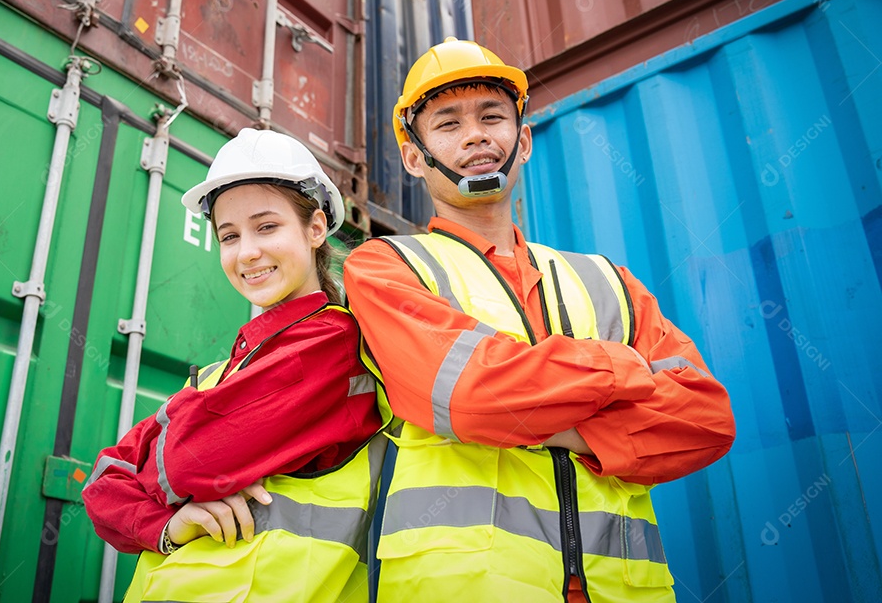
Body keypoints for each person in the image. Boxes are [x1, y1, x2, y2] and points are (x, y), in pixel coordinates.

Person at [344, 37, 736, 602]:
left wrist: (552, 426)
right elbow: (470, 396)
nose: (476, 134)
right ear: (414, 156)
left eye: (492, 116)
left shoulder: (608, 281)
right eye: (448, 123)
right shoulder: (386, 266)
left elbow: (705, 419)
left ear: (522, 141)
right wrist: (620, 369)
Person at [83, 128, 389, 602]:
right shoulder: (222, 371)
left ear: (315, 228)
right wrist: (167, 524)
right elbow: (101, 484)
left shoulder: (333, 344)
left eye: (267, 227)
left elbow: (186, 462)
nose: (247, 252)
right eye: (229, 236)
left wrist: (156, 475)